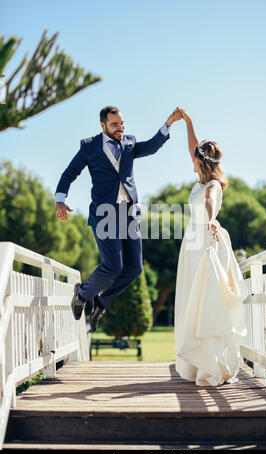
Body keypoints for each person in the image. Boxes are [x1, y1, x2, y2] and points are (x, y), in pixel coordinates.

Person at [55, 105, 182, 332]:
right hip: (105, 214)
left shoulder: (129, 143)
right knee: (113, 266)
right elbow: (69, 173)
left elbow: (152, 147)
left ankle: (101, 303)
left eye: (122, 123)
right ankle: (82, 294)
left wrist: (168, 124)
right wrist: (60, 199)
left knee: (134, 268)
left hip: (130, 214)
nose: (120, 128)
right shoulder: (89, 146)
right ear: (102, 125)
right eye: (115, 125)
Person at [174, 107, 247, 386]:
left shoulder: (213, 185)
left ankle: (211, 363)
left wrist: (213, 219)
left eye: (194, 159)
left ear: (201, 163)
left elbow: (210, 201)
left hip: (206, 241)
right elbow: (194, 146)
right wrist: (188, 122)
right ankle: (196, 363)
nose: (191, 160)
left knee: (207, 302)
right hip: (192, 244)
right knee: (193, 300)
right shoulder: (200, 178)